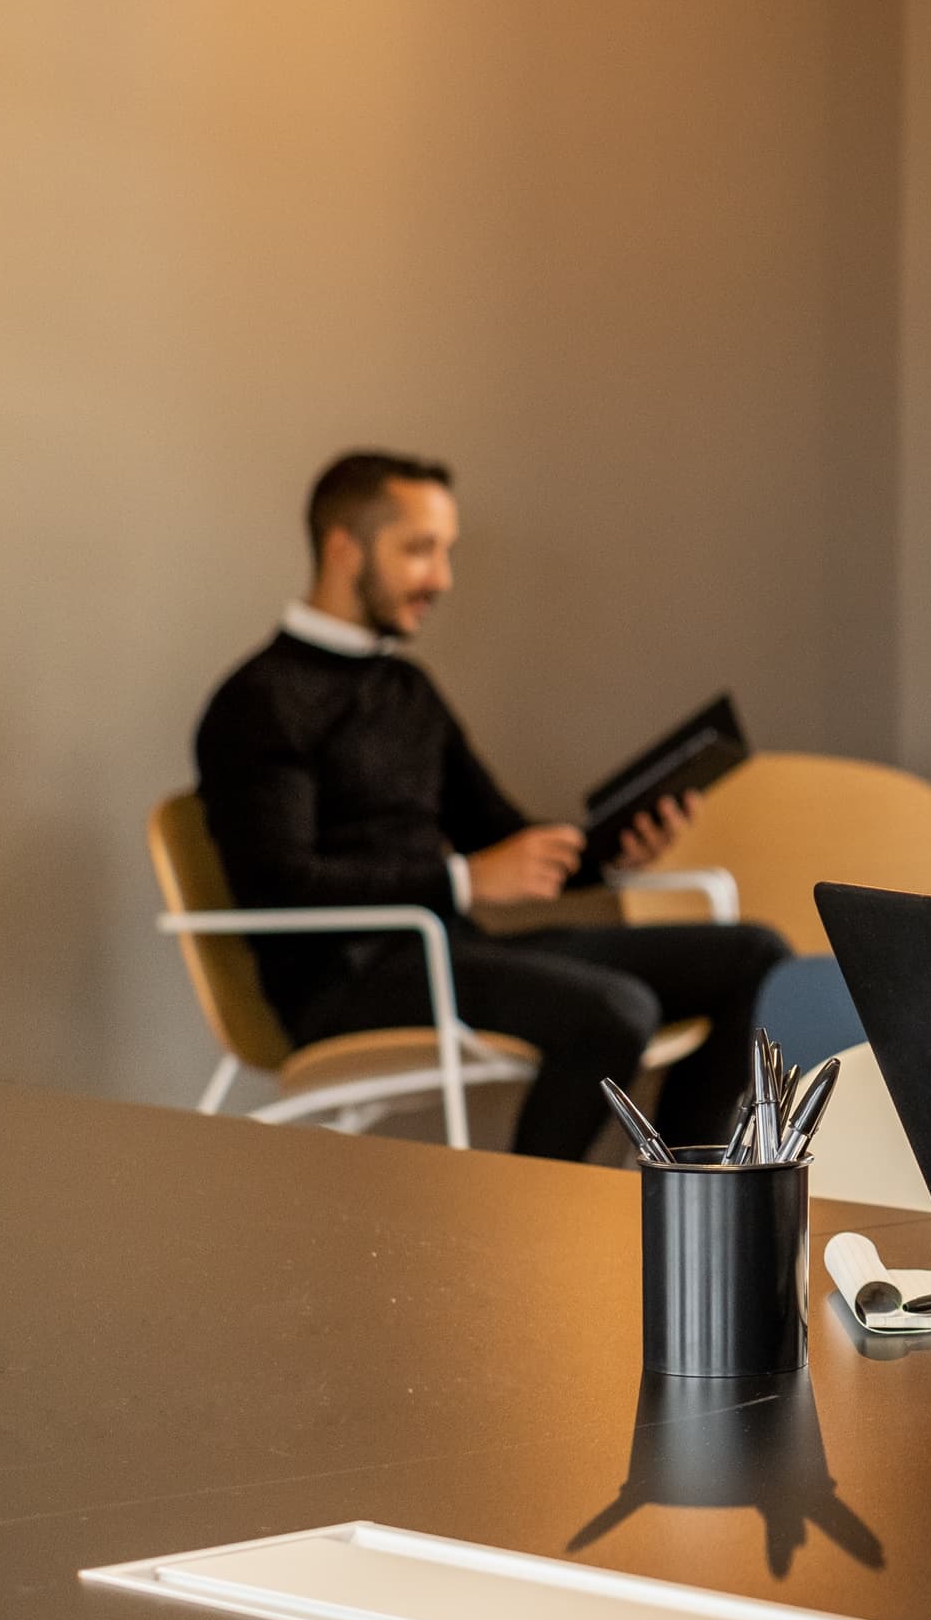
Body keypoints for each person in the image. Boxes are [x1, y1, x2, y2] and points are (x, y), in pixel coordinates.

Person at [193, 451, 793, 1161]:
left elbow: (501, 837)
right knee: (614, 1010)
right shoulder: (257, 703)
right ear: (342, 547)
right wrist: (464, 881)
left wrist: (611, 851)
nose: (441, 579)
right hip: (343, 984)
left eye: (445, 551)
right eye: (419, 550)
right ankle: (521, 1227)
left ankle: (689, 1191)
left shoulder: (409, 691)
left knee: (755, 954)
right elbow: (280, 887)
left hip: (455, 947)